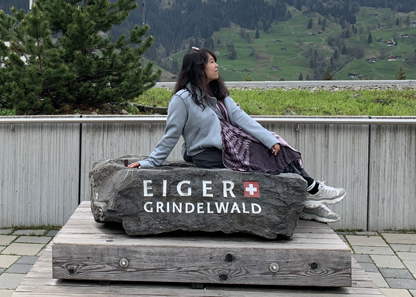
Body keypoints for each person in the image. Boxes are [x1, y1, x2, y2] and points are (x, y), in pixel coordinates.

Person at [128, 48, 345, 223]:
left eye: (215, 61)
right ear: (199, 68)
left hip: (231, 146)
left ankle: (309, 196)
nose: (216, 65)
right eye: (211, 61)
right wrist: (150, 162)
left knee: (279, 151)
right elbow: (171, 135)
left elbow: (244, 120)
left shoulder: (220, 96)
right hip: (206, 153)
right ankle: (311, 193)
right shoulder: (182, 99)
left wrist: (270, 140)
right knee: (264, 162)